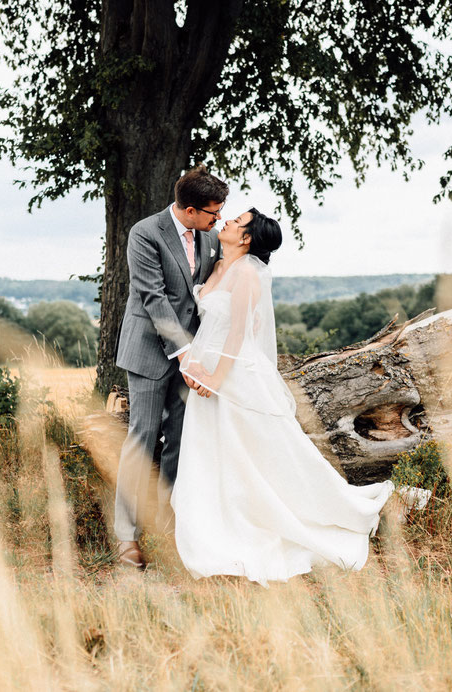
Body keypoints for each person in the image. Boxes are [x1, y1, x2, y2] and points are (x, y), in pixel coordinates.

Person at [171, 208, 394, 585]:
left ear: (245, 239)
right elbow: (210, 324)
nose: (226, 222)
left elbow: (239, 332)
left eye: (236, 221)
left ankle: (314, 516)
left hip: (234, 376)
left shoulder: (246, 273)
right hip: (205, 373)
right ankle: (215, 523)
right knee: (214, 454)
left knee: (263, 457)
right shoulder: (218, 266)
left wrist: (213, 378)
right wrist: (192, 363)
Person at [113, 165, 227, 569]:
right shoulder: (145, 233)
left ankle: (167, 523)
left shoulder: (211, 237)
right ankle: (126, 536)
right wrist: (186, 356)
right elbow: (153, 299)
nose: (219, 220)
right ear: (191, 209)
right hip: (149, 353)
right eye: (213, 213)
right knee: (142, 440)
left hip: (192, 358)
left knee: (180, 440)